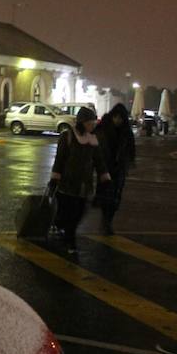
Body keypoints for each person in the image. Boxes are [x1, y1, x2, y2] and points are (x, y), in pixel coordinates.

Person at [50, 107, 111, 254]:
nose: (93, 125)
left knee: (79, 212)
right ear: (82, 122)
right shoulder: (68, 137)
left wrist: (105, 176)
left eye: (94, 122)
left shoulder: (92, 139)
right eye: (90, 122)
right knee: (68, 213)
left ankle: (66, 234)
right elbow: (60, 160)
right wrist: (54, 179)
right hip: (67, 184)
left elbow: (99, 160)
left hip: (85, 185)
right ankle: (69, 240)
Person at [94, 103, 136, 235]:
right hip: (105, 167)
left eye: (121, 118)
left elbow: (130, 150)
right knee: (106, 196)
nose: (118, 120)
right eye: (116, 117)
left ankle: (107, 221)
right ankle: (105, 221)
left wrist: (127, 162)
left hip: (119, 169)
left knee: (115, 198)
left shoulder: (126, 132)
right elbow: (96, 148)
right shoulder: (102, 128)